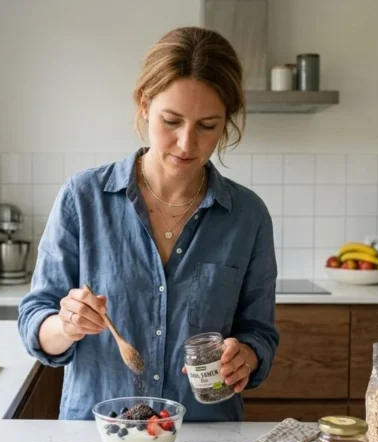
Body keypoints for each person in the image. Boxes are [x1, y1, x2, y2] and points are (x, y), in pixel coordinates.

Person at [17, 26, 279, 421]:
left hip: (205, 439)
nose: (187, 143)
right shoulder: (83, 198)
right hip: (100, 439)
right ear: (144, 104)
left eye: (208, 126)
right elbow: (34, 322)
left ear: (226, 121)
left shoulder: (247, 216)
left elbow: (259, 334)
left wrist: (247, 356)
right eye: (171, 121)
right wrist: (66, 326)